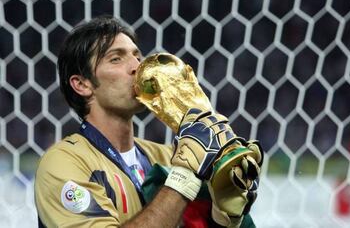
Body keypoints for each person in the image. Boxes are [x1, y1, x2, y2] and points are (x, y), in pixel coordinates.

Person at [34, 15, 261, 227]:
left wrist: (226, 214)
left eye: (137, 56)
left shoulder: (167, 156)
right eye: (116, 59)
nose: (137, 67)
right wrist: (184, 178)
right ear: (82, 84)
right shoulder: (63, 164)